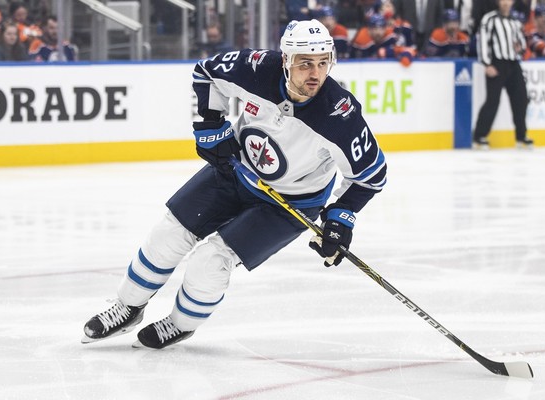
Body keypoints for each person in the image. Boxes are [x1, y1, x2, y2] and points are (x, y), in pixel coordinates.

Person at [82, 19, 387, 349]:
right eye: (305, 63)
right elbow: (207, 73)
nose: (315, 74)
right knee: (168, 234)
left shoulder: (339, 116)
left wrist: (340, 218)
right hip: (235, 171)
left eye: (322, 63)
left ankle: (180, 325)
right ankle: (127, 307)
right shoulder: (257, 69)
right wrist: (211, 124)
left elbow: (371, 175)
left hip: (288, 205)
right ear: (286, 60)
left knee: (210, 262)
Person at [472, 0, 533, 150]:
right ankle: (479, 136)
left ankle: (521, 136)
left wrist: (520, 48)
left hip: (513, 64)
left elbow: (522, 43)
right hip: (496, 64)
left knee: (521, 99)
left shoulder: (515, 21)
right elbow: (483, 42)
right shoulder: (489, 19)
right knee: (492, 101)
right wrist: (487, 64)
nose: (506, 3)